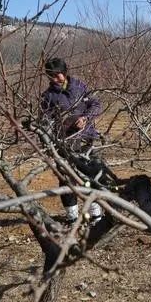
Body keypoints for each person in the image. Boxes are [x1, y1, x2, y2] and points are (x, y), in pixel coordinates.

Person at [41, 57, 103, 223]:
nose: (56, 79)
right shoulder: (48, 96)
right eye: (51, 76)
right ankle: (72, 216)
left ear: (65, 71)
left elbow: (96, 105)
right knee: (66, 178)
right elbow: (45, 122)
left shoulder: (80, 87)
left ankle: (96, 213)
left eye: (58, 74)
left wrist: (86, 118)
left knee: (90, 176)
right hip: (64, 143)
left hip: (86, 139)